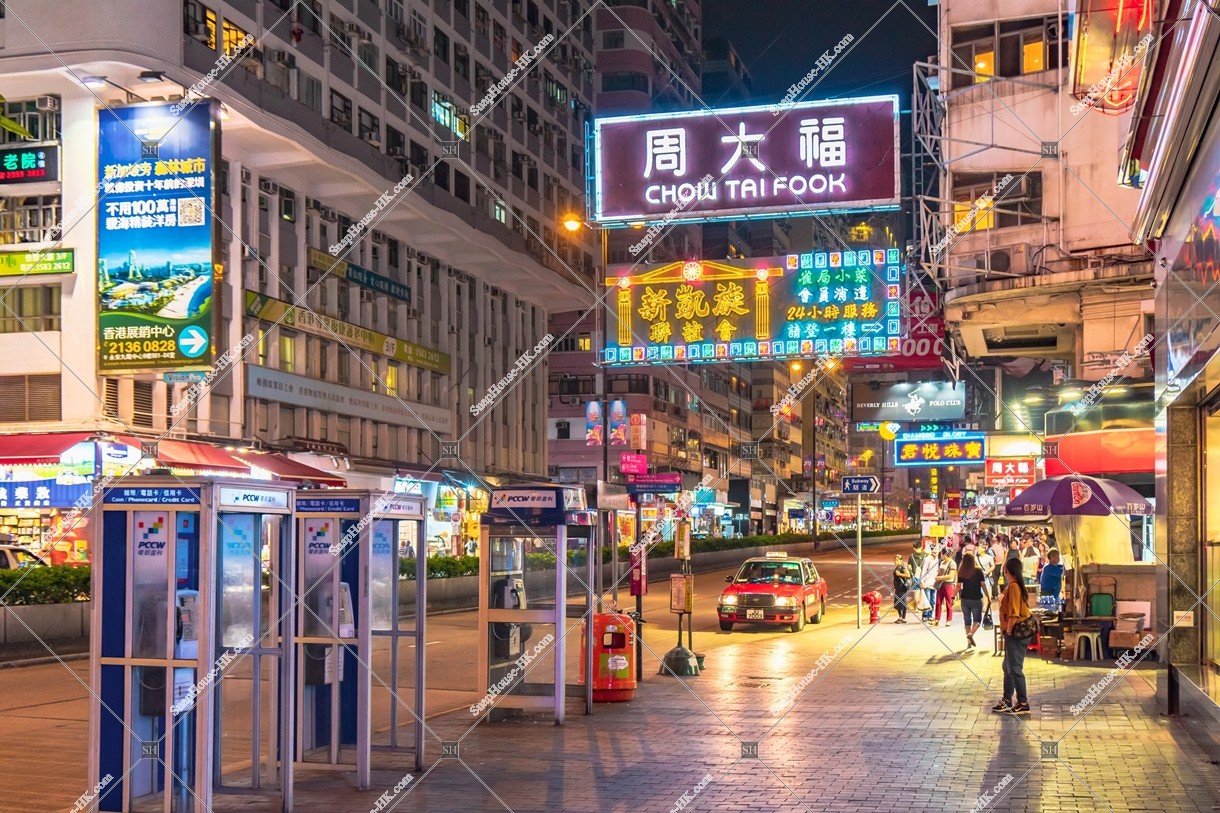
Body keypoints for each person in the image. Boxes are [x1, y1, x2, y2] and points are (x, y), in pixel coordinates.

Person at [996, 557, 1032, 715]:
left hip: (1016, 632)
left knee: (1015, 668)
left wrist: (1009, 631)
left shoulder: (1014, 587)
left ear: (1007, 571)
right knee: (1008, 667)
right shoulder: (1013, 586)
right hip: (1012, 631)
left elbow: (1014, 612)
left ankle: (1023, 702)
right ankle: (1007, 699)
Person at [958, 551, 986, 648]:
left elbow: (958, 586)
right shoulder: (978, 570)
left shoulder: (962, 571)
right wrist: (987, 596)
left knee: (967, 620)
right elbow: (983, 584)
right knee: (977, 620)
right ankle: (971, 634)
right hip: (976, 598)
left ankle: (968, 643)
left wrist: (953, 597)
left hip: (964, 598)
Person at [933, 547, 958, 626]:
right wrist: (938, 574)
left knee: (949, 603)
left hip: (948, 585)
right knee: (938, 602)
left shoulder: (952, 563)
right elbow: (940, 572)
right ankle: (937, 619)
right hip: (940, 584)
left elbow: (951, 576)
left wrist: (940, 577)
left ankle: (949, 620)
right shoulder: (942, 563)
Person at [892, 555, 911, 623]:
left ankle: (903, 617)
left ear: (901, 560)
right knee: (898, 602)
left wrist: (899, 574)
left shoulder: (903, 567)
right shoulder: (898, 567)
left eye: (897, 560)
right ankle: (900, 617)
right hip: (898, 587)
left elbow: (908, 575)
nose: (895, 561)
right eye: (895, 560)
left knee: (902, 601)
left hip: (902, 587)